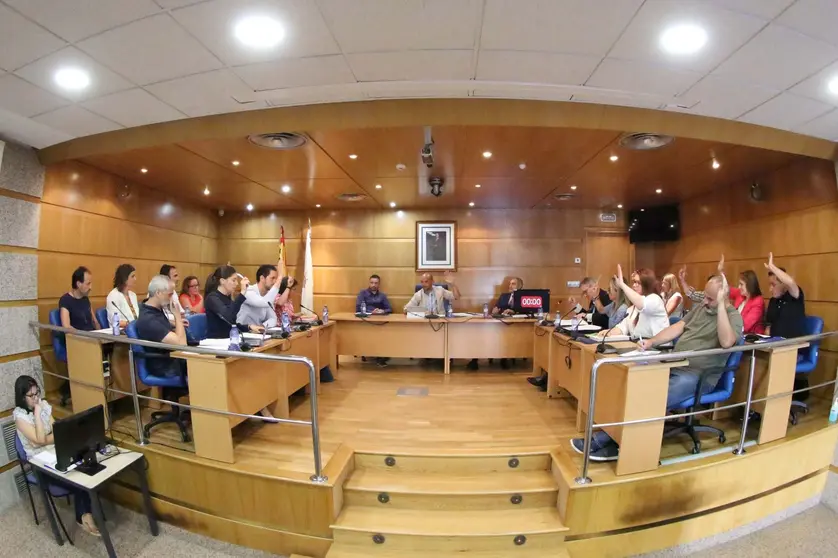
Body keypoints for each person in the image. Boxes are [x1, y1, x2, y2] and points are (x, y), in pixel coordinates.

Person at [572, 274, 744, 461]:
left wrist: (720, 306)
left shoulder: (733, 317)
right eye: (705, 297)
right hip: (675, 363)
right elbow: (678, 327)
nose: (704, 302)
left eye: (710, 299)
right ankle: (613, 438)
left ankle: (610, 442)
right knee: (636, 386)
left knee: (653, 397)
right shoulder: (702, 308)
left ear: (722, 297)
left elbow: (727, 342)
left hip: (699, 376)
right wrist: (652, 341)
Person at [13, 375, 100, 536]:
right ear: (22, 397)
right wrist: (38, 415)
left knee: (86, 469)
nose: (36, 398)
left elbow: (56, 432)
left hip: (55, 452)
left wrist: (44, 440)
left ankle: (85, 514)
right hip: (39, 463)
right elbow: (39, 439)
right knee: (78, 480)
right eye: (31, 396)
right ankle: (83, 517)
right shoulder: (20, 417)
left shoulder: (43, 405)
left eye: (37, 393)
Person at [685, 256, 765, 334]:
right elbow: (724, 289)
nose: (739, 287)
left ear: (749, 285)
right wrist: (721, 273)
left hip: (751, 338)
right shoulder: (740, 294)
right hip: (735, 332)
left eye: (741, 284)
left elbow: (745, 325)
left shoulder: (758, 301)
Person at [136, 275, 188, 377]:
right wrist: (177, 316)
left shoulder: (151, 308)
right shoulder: (149, 320)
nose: (172, 298)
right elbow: (182, 345)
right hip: (165, 365)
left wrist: (173, 323)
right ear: (158, 293)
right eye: (170, 294)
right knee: (205, 366)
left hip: (171, 358)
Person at [469, 277, 524, 371]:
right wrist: (495, 310)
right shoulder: (504, 296)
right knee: (482, 334)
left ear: (520, 286)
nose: (510, 286)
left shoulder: (523, 297)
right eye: (510, 284)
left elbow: (525, 311)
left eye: (513, 284)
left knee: (507, 337)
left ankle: (504, 358)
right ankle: (475, 359)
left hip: (515, 325)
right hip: (499, 323)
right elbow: (496, 308)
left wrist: (513, 311)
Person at [608, 266, 669, 339]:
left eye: (638, 283)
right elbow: (622, 327)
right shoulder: (631, 309)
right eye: (634, 282)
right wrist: (609, 332)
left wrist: (622, 285)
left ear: (646, 284)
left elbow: (642, 304)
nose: (634, 285)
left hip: (658, 348)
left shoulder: (655, 300)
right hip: (640, 347)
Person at [204, 266, 264, 339]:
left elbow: (231, 323)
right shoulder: (212, 298)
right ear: (222, 281)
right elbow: (229, 317)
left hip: (229, 339)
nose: (237, 284)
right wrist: (242, 293)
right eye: (233, 280)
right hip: (217, 342)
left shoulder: (227, 297)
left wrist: (249, 327)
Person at [764, 252, 805, 339]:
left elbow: (790, 282)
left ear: (783, 283)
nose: (770, 289)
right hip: (773, 343)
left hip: (790, 345)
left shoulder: (794, 296)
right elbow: (768, 326)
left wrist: (772, 267)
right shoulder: (773, 300)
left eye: (773, 285)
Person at [356, 274, 393, 368]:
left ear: (379, 284)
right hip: (366, 321)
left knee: (384, 334)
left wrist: (382, 311)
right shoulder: (362, 293)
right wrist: (371, 312)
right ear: (369, 283)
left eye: (376, 283)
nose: (373, 285)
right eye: (372, 282)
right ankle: (370, 352)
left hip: (380, 322)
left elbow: (389, 309)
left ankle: (381, 356)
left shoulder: (382, 296)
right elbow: (358, 308)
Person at [238, 264, 281, 329]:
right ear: (262, 278)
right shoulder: (248, 291)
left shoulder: (268, 296)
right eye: (272, 278)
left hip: (256, 333)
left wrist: (261, 327)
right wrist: (279, 282)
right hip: (243, 332)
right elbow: (264, 303)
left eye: (276, 279)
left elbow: (273, 318)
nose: (275, 281)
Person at [59, 266, 99, 331]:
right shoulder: (65, 300)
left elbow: (95, 322)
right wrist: (85, 336)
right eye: (88, 284)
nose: (90, 287)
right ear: (78, 284)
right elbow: (66, 327)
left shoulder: (85, 299)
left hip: (92, 337)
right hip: (78, 338)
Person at [106, 263, 140, 328]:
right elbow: (115, 321)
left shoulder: (133, 295)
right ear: (125, 279)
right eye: (132, 276)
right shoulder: (113, 296)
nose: (135, 279)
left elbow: (137, 317)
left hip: (135, 329)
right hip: (121, 333)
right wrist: (131, 324)